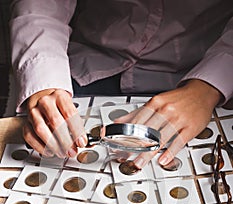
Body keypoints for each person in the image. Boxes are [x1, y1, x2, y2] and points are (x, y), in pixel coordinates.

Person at [10, 0, 233, 167]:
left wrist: (207, 89)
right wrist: (44, 81)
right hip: (79, 65)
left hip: (196, 74)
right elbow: (42, 6)